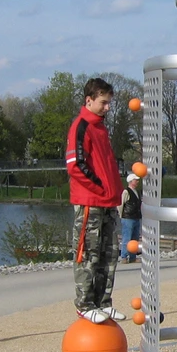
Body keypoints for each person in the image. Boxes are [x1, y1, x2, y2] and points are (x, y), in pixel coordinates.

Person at [66, 77, 126, 324]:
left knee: (109, 254)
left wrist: (113, 190)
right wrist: (100, 188)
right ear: (88, 100)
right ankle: (84, 303)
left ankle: (103, 301)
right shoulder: (81, 126)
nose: (107, 108)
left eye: (109, 102)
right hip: (91, 202)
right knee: (88, 253)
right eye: (103, 102)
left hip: (108, 202)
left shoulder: (101, 128)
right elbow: (75, 166)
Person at [119, 173, 142, 264]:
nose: (137, 182)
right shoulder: (126, 192)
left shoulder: (137, 192)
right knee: (126, 238)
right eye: (136, 180)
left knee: (135, 238)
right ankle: (124, 256)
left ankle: (132, 257)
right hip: (128, 218)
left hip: (136, 217)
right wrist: (121, 216)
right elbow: (120, 204)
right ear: (131, 181)